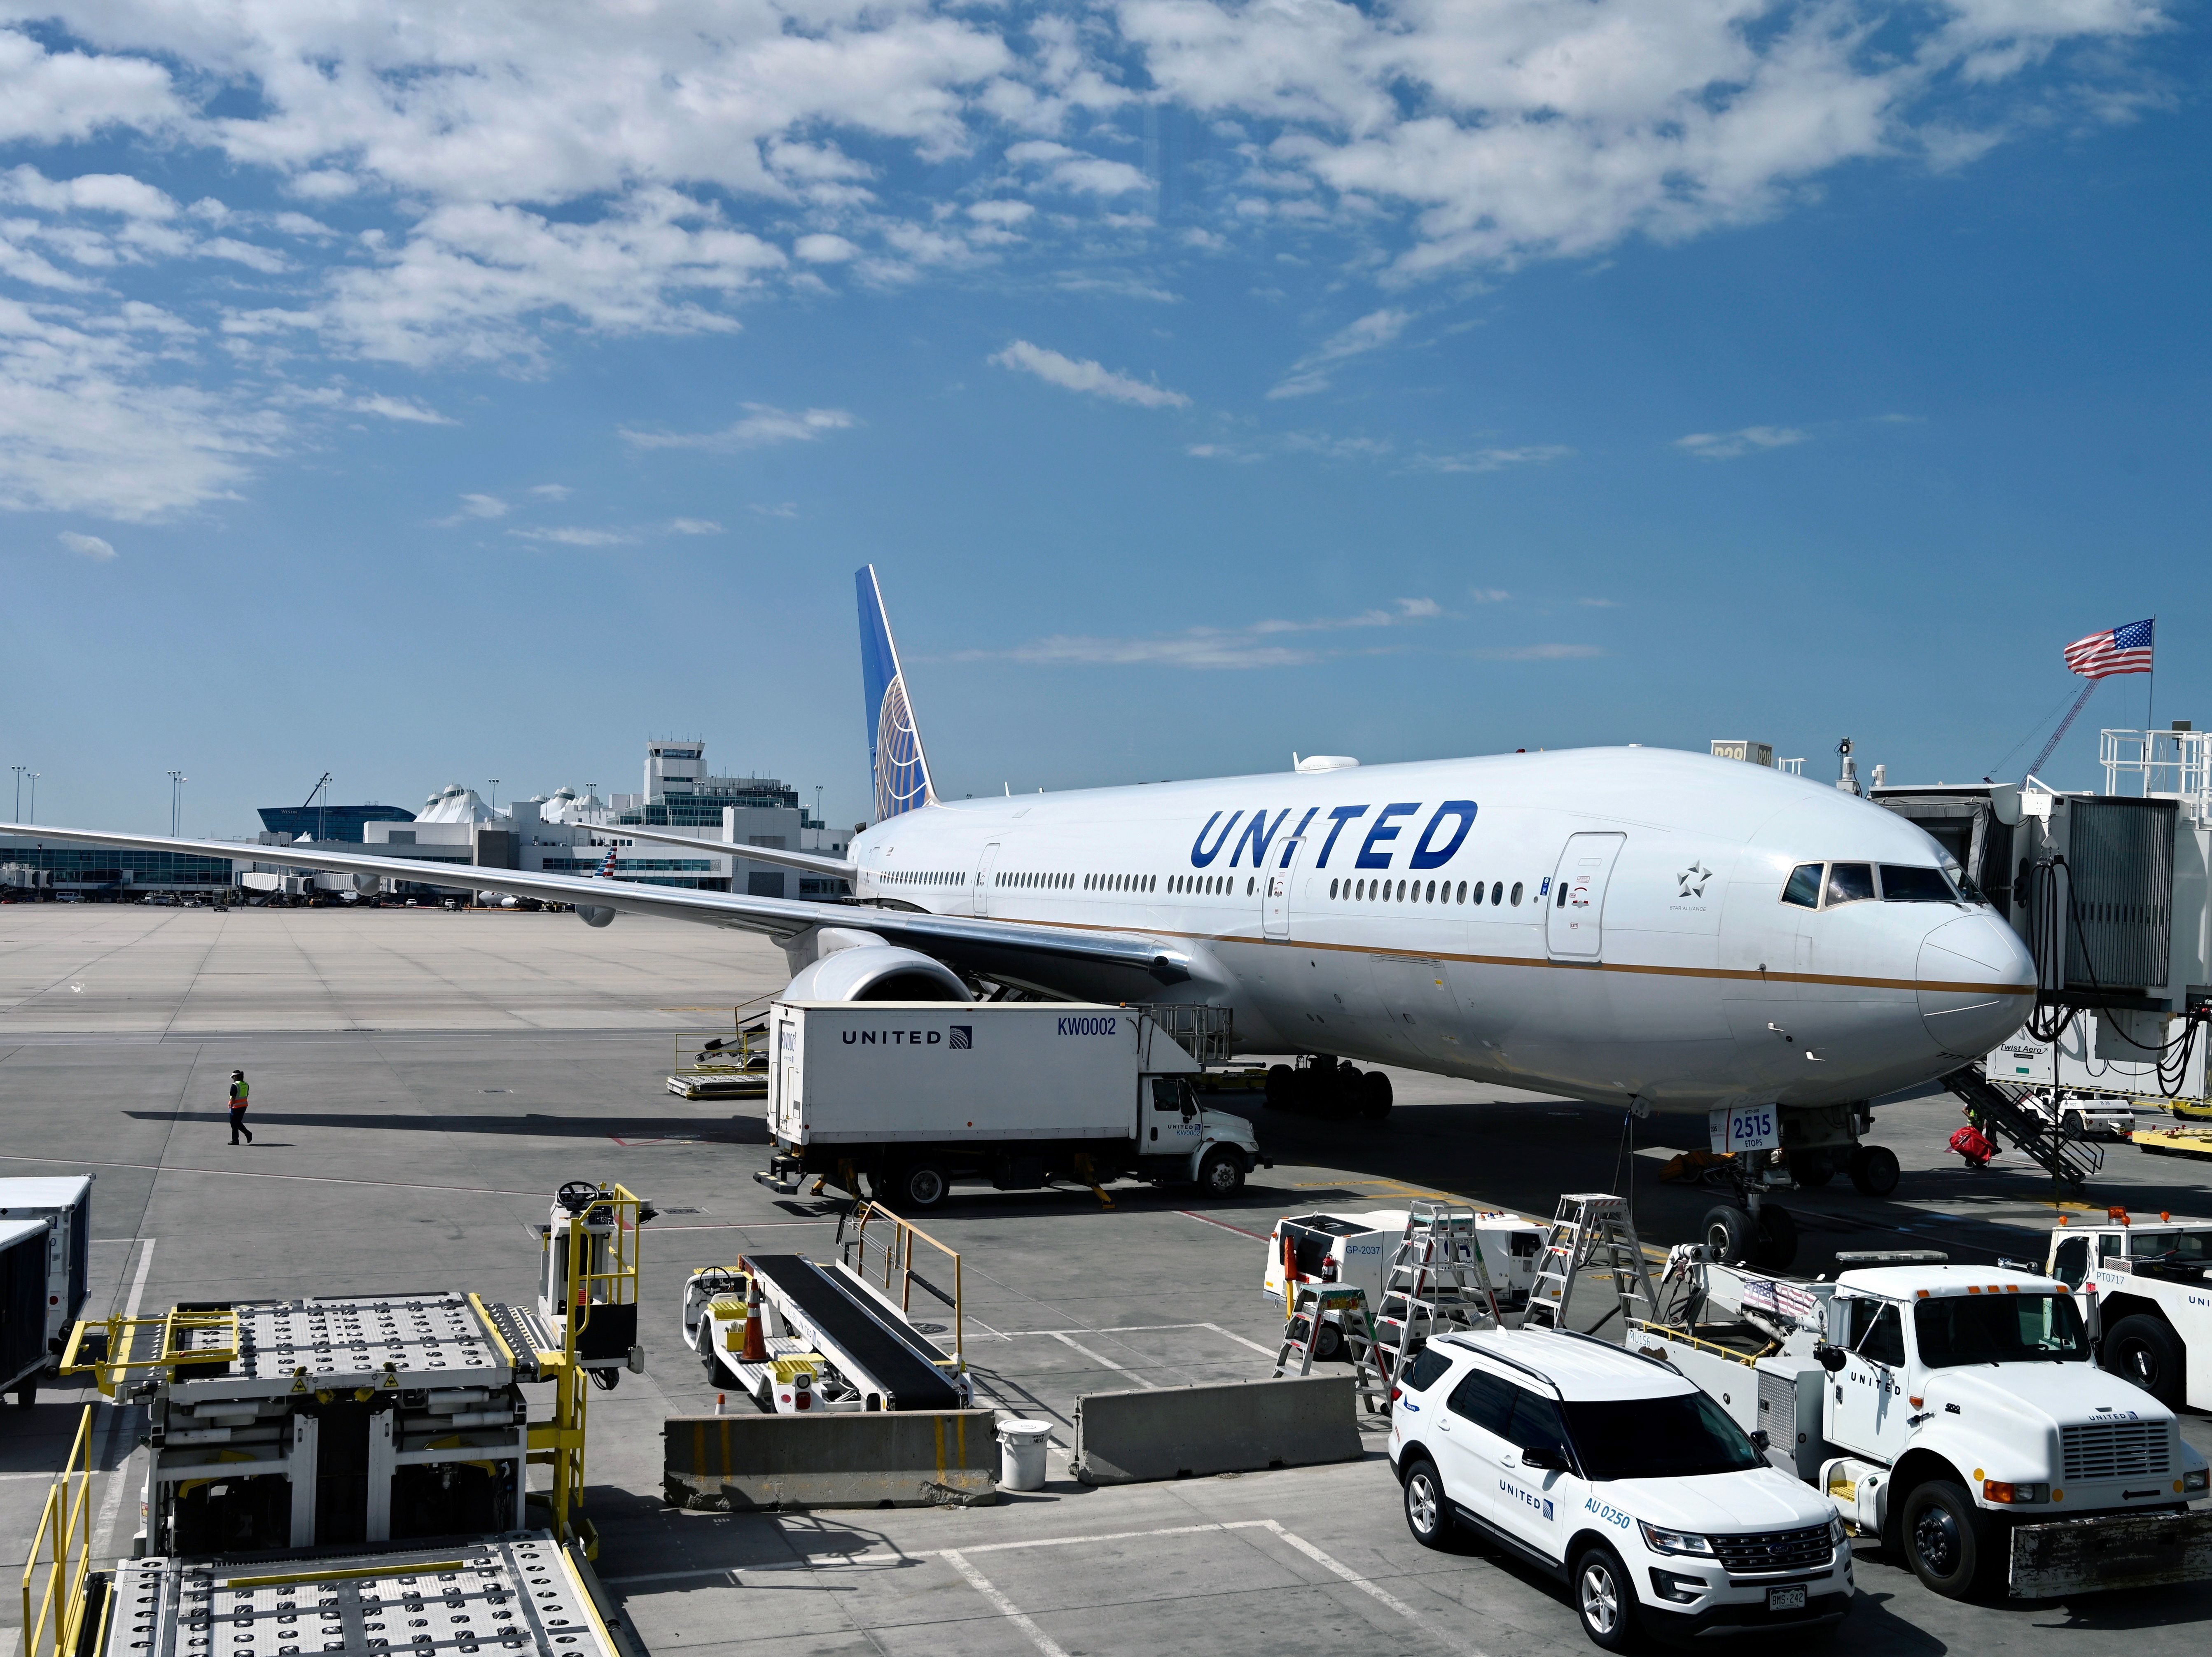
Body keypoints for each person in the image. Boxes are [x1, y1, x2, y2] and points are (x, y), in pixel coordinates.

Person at [228, 1069, 253, 1145]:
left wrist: (231, 1108)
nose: (233, 1079)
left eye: (233, 1077)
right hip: (244, 1106)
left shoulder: (235, 1085)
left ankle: (247, 1134)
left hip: (236, 1107)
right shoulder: (246, 1084)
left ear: (236, 1077)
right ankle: (236, 1140)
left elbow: (233, 1098)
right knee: (236, 1123)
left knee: (234, 1123)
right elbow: (247, 1094)